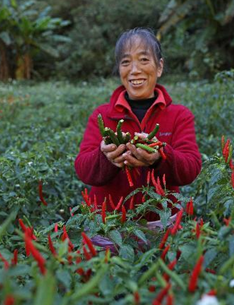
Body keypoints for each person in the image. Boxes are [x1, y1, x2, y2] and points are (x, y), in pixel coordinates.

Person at [74, 28, 201, 221]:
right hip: (108, 223)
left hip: (162, 223)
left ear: (159, 67)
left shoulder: (179, 116)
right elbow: (83, 169)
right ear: (119, 70)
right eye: (126, 62)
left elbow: (191, 168)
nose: (135, 70)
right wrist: (106, 156)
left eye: (144, 60)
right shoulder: (102, 115)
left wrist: (160, 156)